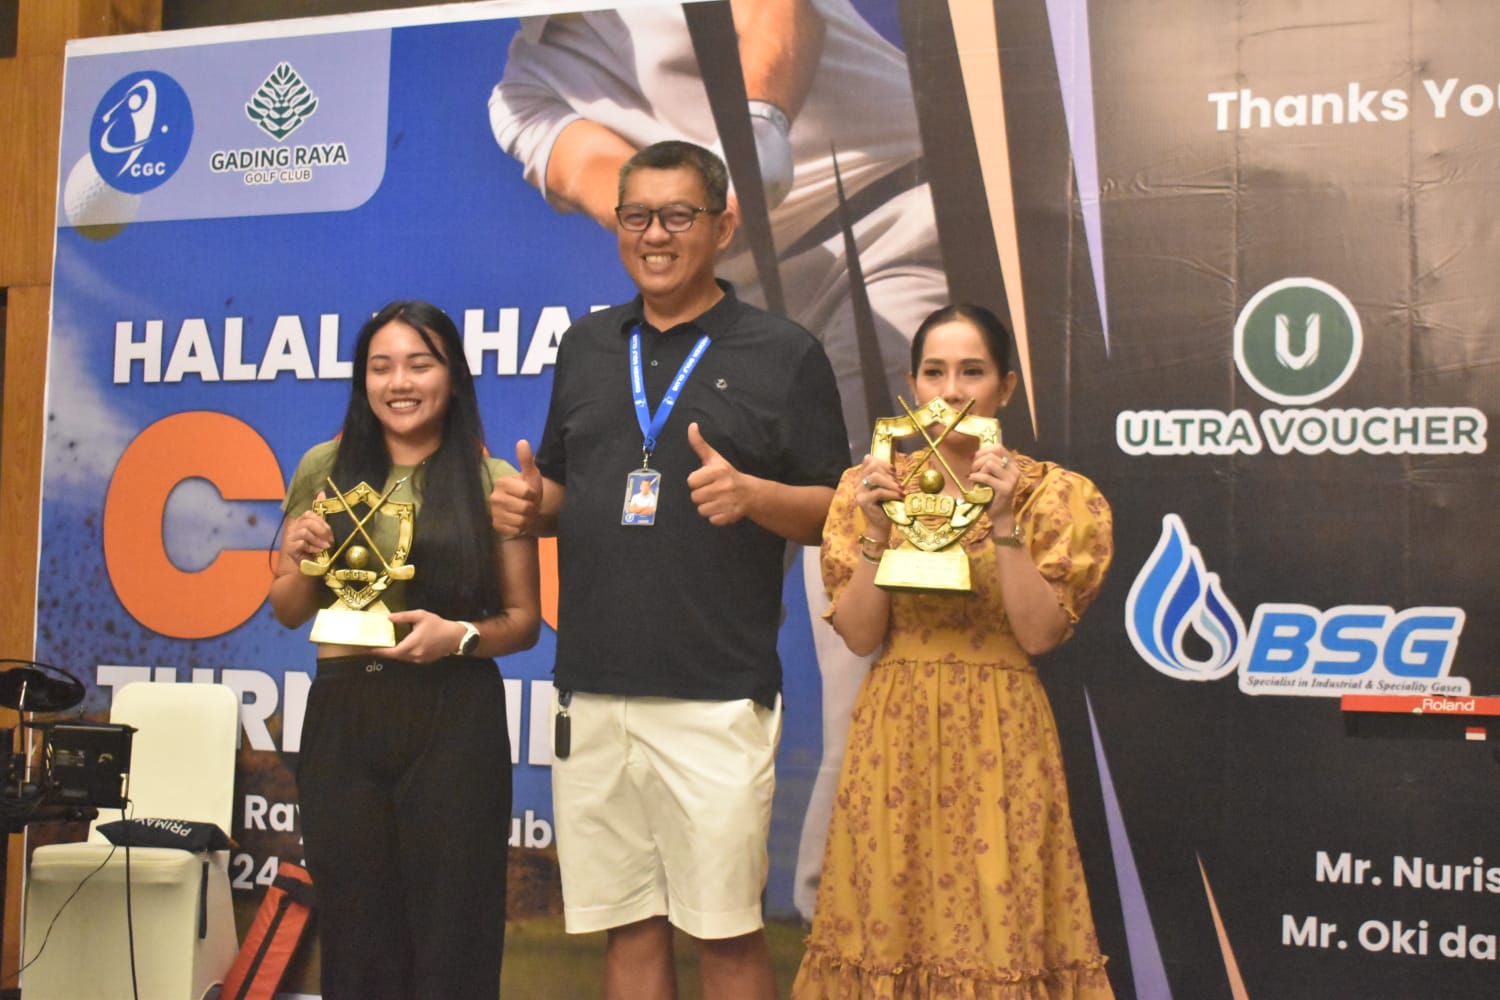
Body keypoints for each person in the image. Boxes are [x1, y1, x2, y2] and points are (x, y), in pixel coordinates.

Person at [489, 1, 943, 918]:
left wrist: (762, 120)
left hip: (888, 218)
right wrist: (685, 208)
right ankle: (825, 905)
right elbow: (604, 178)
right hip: (735, 297)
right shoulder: (521, 92)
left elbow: (779, 17)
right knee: (708, 571)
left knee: (863, 583)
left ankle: (845, 905)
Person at [489, 140, 849, 1000]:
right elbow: (569, 493)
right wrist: (529, 505)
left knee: (725, 934)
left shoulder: (784, 353)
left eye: (678, 216)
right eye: (637, 216)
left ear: (722, 227)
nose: (655, 235)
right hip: (593, 689)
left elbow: (838, 510)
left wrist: (755, 495)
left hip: (715, 695)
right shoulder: (586, 346)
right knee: (630, 928)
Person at [792, 303, 1116, 998]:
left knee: (999, 926)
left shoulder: (1056, 496)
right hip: (895, 730)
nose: (951, 391)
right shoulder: (868, 487)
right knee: (888, 922)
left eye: (972, 372)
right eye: (934, 372)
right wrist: (875, 532)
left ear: (1006, 386)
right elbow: (860, 635)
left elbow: (1040, 634)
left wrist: (1003, 520)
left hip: (1002, 729)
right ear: (912, 384)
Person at [270, 300, 541, 1000]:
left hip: (454, 713)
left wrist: (460, 637)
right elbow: (288, 610)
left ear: (452, 377)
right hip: (344, 713)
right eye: (381, 366)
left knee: (455, 933)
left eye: (420, 364)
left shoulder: (491, 482)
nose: (399, 383)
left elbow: (523, 622)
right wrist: (300, 555)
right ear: (362, 380)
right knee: (357, 934)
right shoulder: (323, 467)